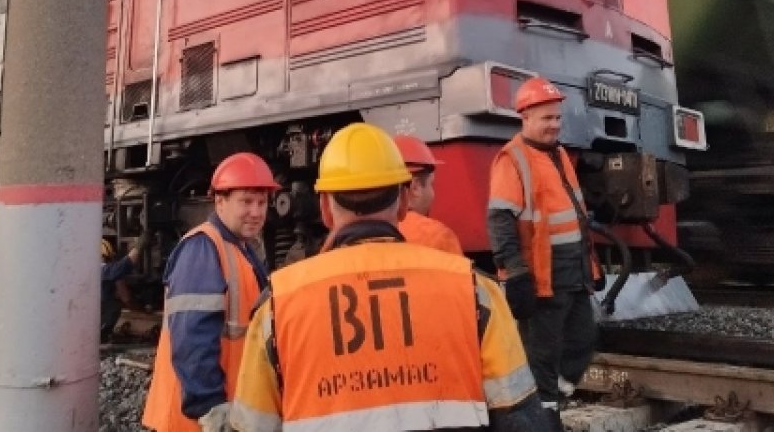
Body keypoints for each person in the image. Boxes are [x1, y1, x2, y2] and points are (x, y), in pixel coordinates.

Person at [230, 123, 546, 432]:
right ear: (405, 201)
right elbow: (520, 418)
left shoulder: (277, 306)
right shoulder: (476, 291)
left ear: (325, 207)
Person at [488, 76, 602, 425]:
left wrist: (591, 265)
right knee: (542, 355)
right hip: (541, 276)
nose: (554, 125)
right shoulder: (512, 159)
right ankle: (545, 417)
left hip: (572, 271)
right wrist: (516, 272)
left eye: (557, 118)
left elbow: (570, 213)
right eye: (546, 119)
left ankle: (554, 397)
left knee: (583, 339)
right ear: (525, 118)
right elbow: (500, 220)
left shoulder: (559, 154)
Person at [142, 153, 277, 432]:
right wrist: (210, 408)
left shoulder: (241, 249)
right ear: (220, 201)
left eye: (262, 202)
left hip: (225, 410)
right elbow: (192, 338)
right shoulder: (203, 249)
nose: (256, 211)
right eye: (246, 202)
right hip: (195, 421)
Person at [392, 134, 465, 255]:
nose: (433, 193)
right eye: (432, 184)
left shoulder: (366, 235)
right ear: (415, 187)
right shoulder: (438, 238)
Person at [100, 238, 141, 343]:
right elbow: (121, 268)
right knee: (113, 305)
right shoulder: (100, 269)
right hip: (97, 329)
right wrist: (139, 247)